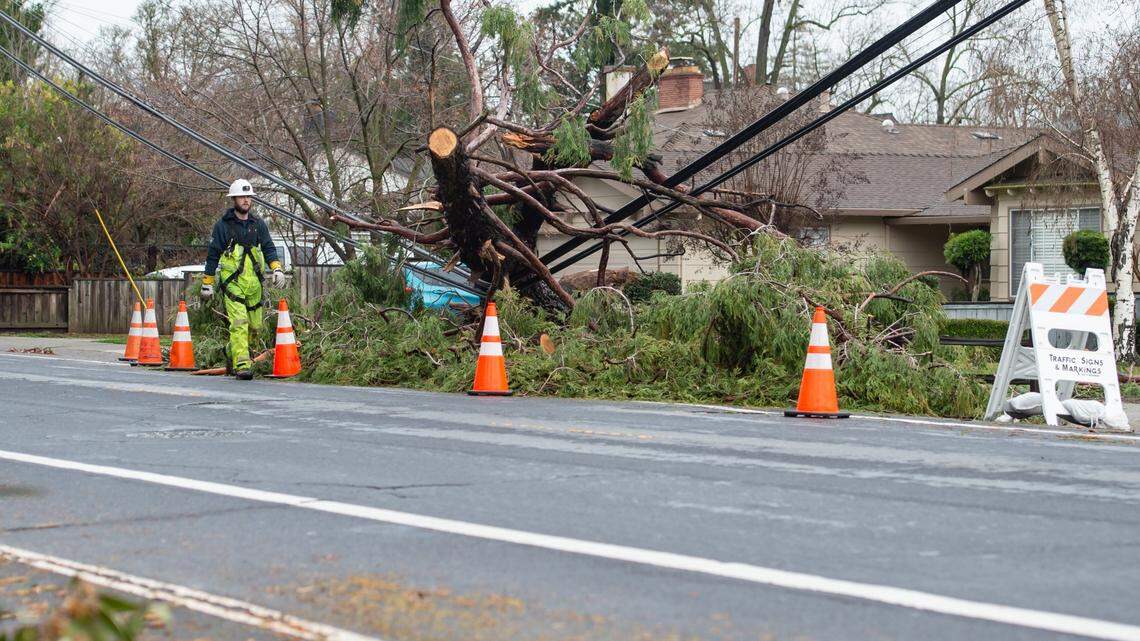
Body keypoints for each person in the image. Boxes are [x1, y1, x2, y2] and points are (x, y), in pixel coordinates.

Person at [201, 179, 286, 380]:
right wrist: (207, 282)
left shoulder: (258, 225)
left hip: (254, 284)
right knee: (239, 323)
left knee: (255, 327)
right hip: (232, 283)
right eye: (242, 196)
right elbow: (213, 255)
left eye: (248, 196)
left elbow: (269, 248)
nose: (246, 200)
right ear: (234, 199)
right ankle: (242, 365)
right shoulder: (223, 226)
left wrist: (277, 268)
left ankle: (230, 351)